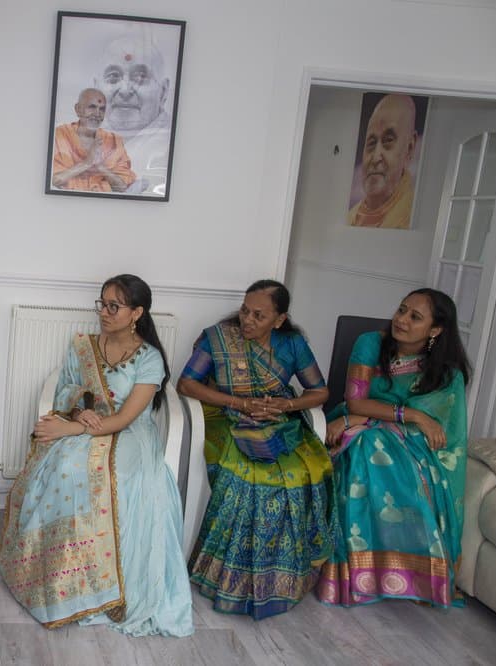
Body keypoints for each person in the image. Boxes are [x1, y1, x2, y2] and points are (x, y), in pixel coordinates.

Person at [0, 274, 193, 637]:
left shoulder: (149, 359)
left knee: (102, 476)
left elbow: (123, 419)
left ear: (136, 313)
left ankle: (97, 588)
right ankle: (53, 580)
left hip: (129, 436)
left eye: (114, 306)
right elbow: (68, 389)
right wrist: (78, 411)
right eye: (101, 304)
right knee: (62, 466)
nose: (104, 312)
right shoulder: (83, 346)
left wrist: (72, 428)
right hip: (88, 425)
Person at [177, 279, 333, 620]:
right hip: (226, 417)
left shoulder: (292, 344)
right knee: (247, 474)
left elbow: (319, 392)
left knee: (301, 472)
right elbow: (186, 383)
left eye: (258, 315)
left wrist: (283, 407)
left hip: (278, 419)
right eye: (245, 311)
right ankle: (227, 576)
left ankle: (281, 577)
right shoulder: (217, 338)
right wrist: (241, 402)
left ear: (279, 320)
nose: (247, 320)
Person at [317, 288, 470, 608]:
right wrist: (409, 413)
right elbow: (356, 400)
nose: (401, 319)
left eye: (415, 317)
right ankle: (361, 574)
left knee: (375, 447)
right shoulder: (370, 344)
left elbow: (436, 433)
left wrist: (369, 418)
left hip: (409, 444)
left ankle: (405, 574)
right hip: (358, 426)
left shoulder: (446, 374)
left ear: (436, 329)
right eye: (401, 310)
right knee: (367, 445)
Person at [95, 32, 173, 196]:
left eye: (140, 78)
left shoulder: (171, 150)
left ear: (164, 92)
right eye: (113, 77)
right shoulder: (74, 142)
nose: (125, 90)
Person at [348, 94, 419, 229]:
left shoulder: (412, 218)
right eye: (371, 143)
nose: (375, 158)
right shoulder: (351, 217)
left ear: (409, 148)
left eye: (388, 141)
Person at [51, 88, 136, 193]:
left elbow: (122, 186)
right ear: (78, 109)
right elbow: (54, 180)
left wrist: (100, 166)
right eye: (92, 107)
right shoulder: (60, 134)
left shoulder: (113, 141)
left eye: (102, 109)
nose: (97, 113)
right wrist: (86, 163)